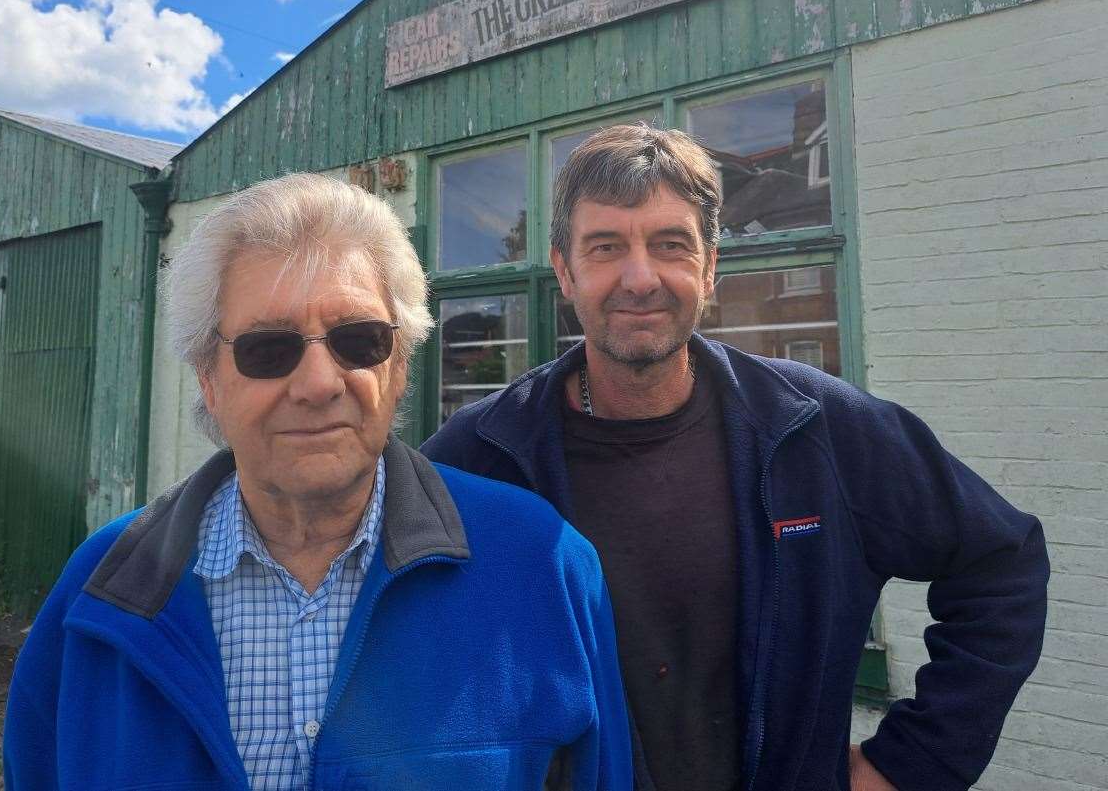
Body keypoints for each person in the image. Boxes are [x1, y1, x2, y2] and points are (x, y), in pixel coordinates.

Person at [422, 124, 1049, 791]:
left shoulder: (814, 427)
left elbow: (1003, 562)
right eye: (606, 247)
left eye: (671, 245)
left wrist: (910, 761)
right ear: (564, 271)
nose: (640, 278)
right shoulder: (481, 454)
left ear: (710, 266)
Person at [4, 173, 632, 791]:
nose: (318, 383)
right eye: (269, 349)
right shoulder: (101, 588)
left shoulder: (542, 566)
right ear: (208, 379)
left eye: (359, 341)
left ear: (402, 364)